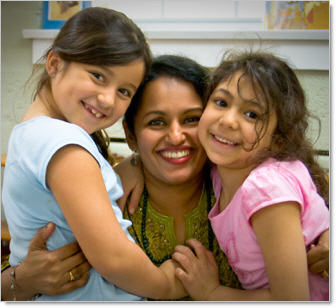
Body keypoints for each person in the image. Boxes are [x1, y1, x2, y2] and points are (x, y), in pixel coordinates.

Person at [1, 54, 329, 301]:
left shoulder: (241, 183)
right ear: (130, 134)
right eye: (156, 123)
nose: (176, 136)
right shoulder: (104, 201)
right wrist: (21, 281)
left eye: (191, 119)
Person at [1, 7, 187, 301]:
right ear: (54, 63)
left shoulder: (31, 135)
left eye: (125, 91)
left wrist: (133, 163)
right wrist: (167, 286)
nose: (108, 99)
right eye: (98, 76)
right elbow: (113, 257)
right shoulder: (63, 140)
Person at [171, 50, 330, 301]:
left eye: (252, 114)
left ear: (277, 138)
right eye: (221, 102)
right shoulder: (222, 168)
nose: (229, 120)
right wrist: (132, 167)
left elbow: (291, 299)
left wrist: (210, 292)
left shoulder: (265, 187)